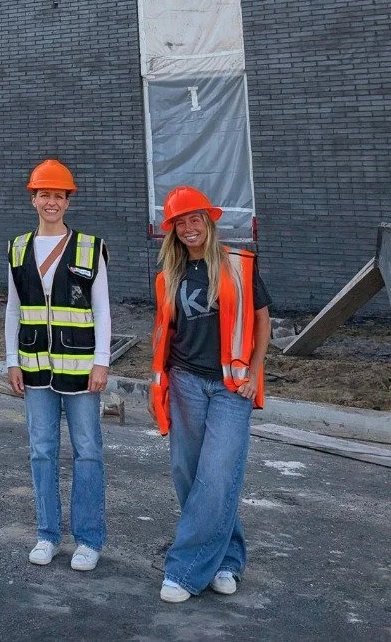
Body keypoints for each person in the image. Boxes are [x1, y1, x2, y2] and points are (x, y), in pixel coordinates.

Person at [149, 186, 271, 604]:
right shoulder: (169, 276)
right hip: (185, 382)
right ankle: (227, 559)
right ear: (173, 230)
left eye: (194, 219)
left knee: (218, 474)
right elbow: (167, 334)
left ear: (209, 220)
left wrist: (255, 373)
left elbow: (261, 322)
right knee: (190, 475)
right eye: (180, 223)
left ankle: (184, 570)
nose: (189, 228)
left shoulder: (239, 264)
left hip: (231, 386)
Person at [6, 159, 111, 571]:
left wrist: (101, 362)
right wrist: (12, 360)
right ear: (33, 199)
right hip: (35, 370)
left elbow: (102, 310)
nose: (51, 201)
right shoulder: (18, 247)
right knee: (41, 452)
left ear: (68, 201)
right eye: (44, 194)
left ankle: (88, 539)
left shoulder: (88, 246)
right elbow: (13, 310)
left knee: (88, 453)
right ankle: (47, 534)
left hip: (82, 369)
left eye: (58, 195)